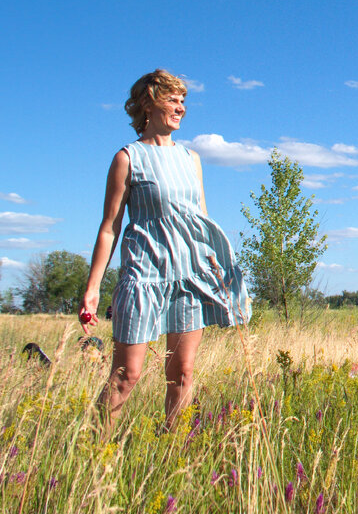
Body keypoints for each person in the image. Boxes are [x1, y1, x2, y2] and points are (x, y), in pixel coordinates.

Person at [79, 69, 249, 431]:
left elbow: (201, 220)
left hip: (189, 279)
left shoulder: (191, 160)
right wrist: (93, 289)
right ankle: (92, 455)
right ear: (147, 104)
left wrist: (217, 271)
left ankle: (172, 452)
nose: (181, 107)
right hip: (145, 276)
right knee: (127, 375)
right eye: (172, 99)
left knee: (182, 374)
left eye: (183, 100)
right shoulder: (128, 157)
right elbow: (109, 227)